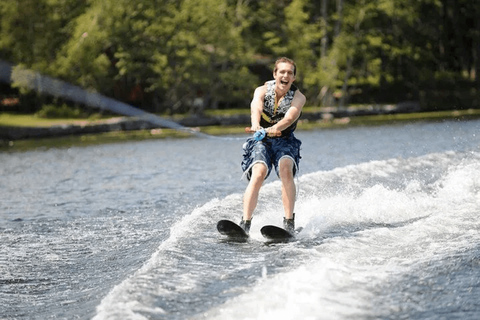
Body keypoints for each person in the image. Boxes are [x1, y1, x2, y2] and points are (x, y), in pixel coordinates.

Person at [240, 57, 306, 235]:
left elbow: (289, 118)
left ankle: (289, 223)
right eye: (282, 72)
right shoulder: (261, 91)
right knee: (259, 171)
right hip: (261, 140)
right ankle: (244, 223)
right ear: (275, 74)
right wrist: (255, 125)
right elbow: (256, 108)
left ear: (293, 78)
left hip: (285, 139)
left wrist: (274, 128)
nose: (285, 76)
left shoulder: (299, 97)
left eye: (290, 73)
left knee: (285, 168)